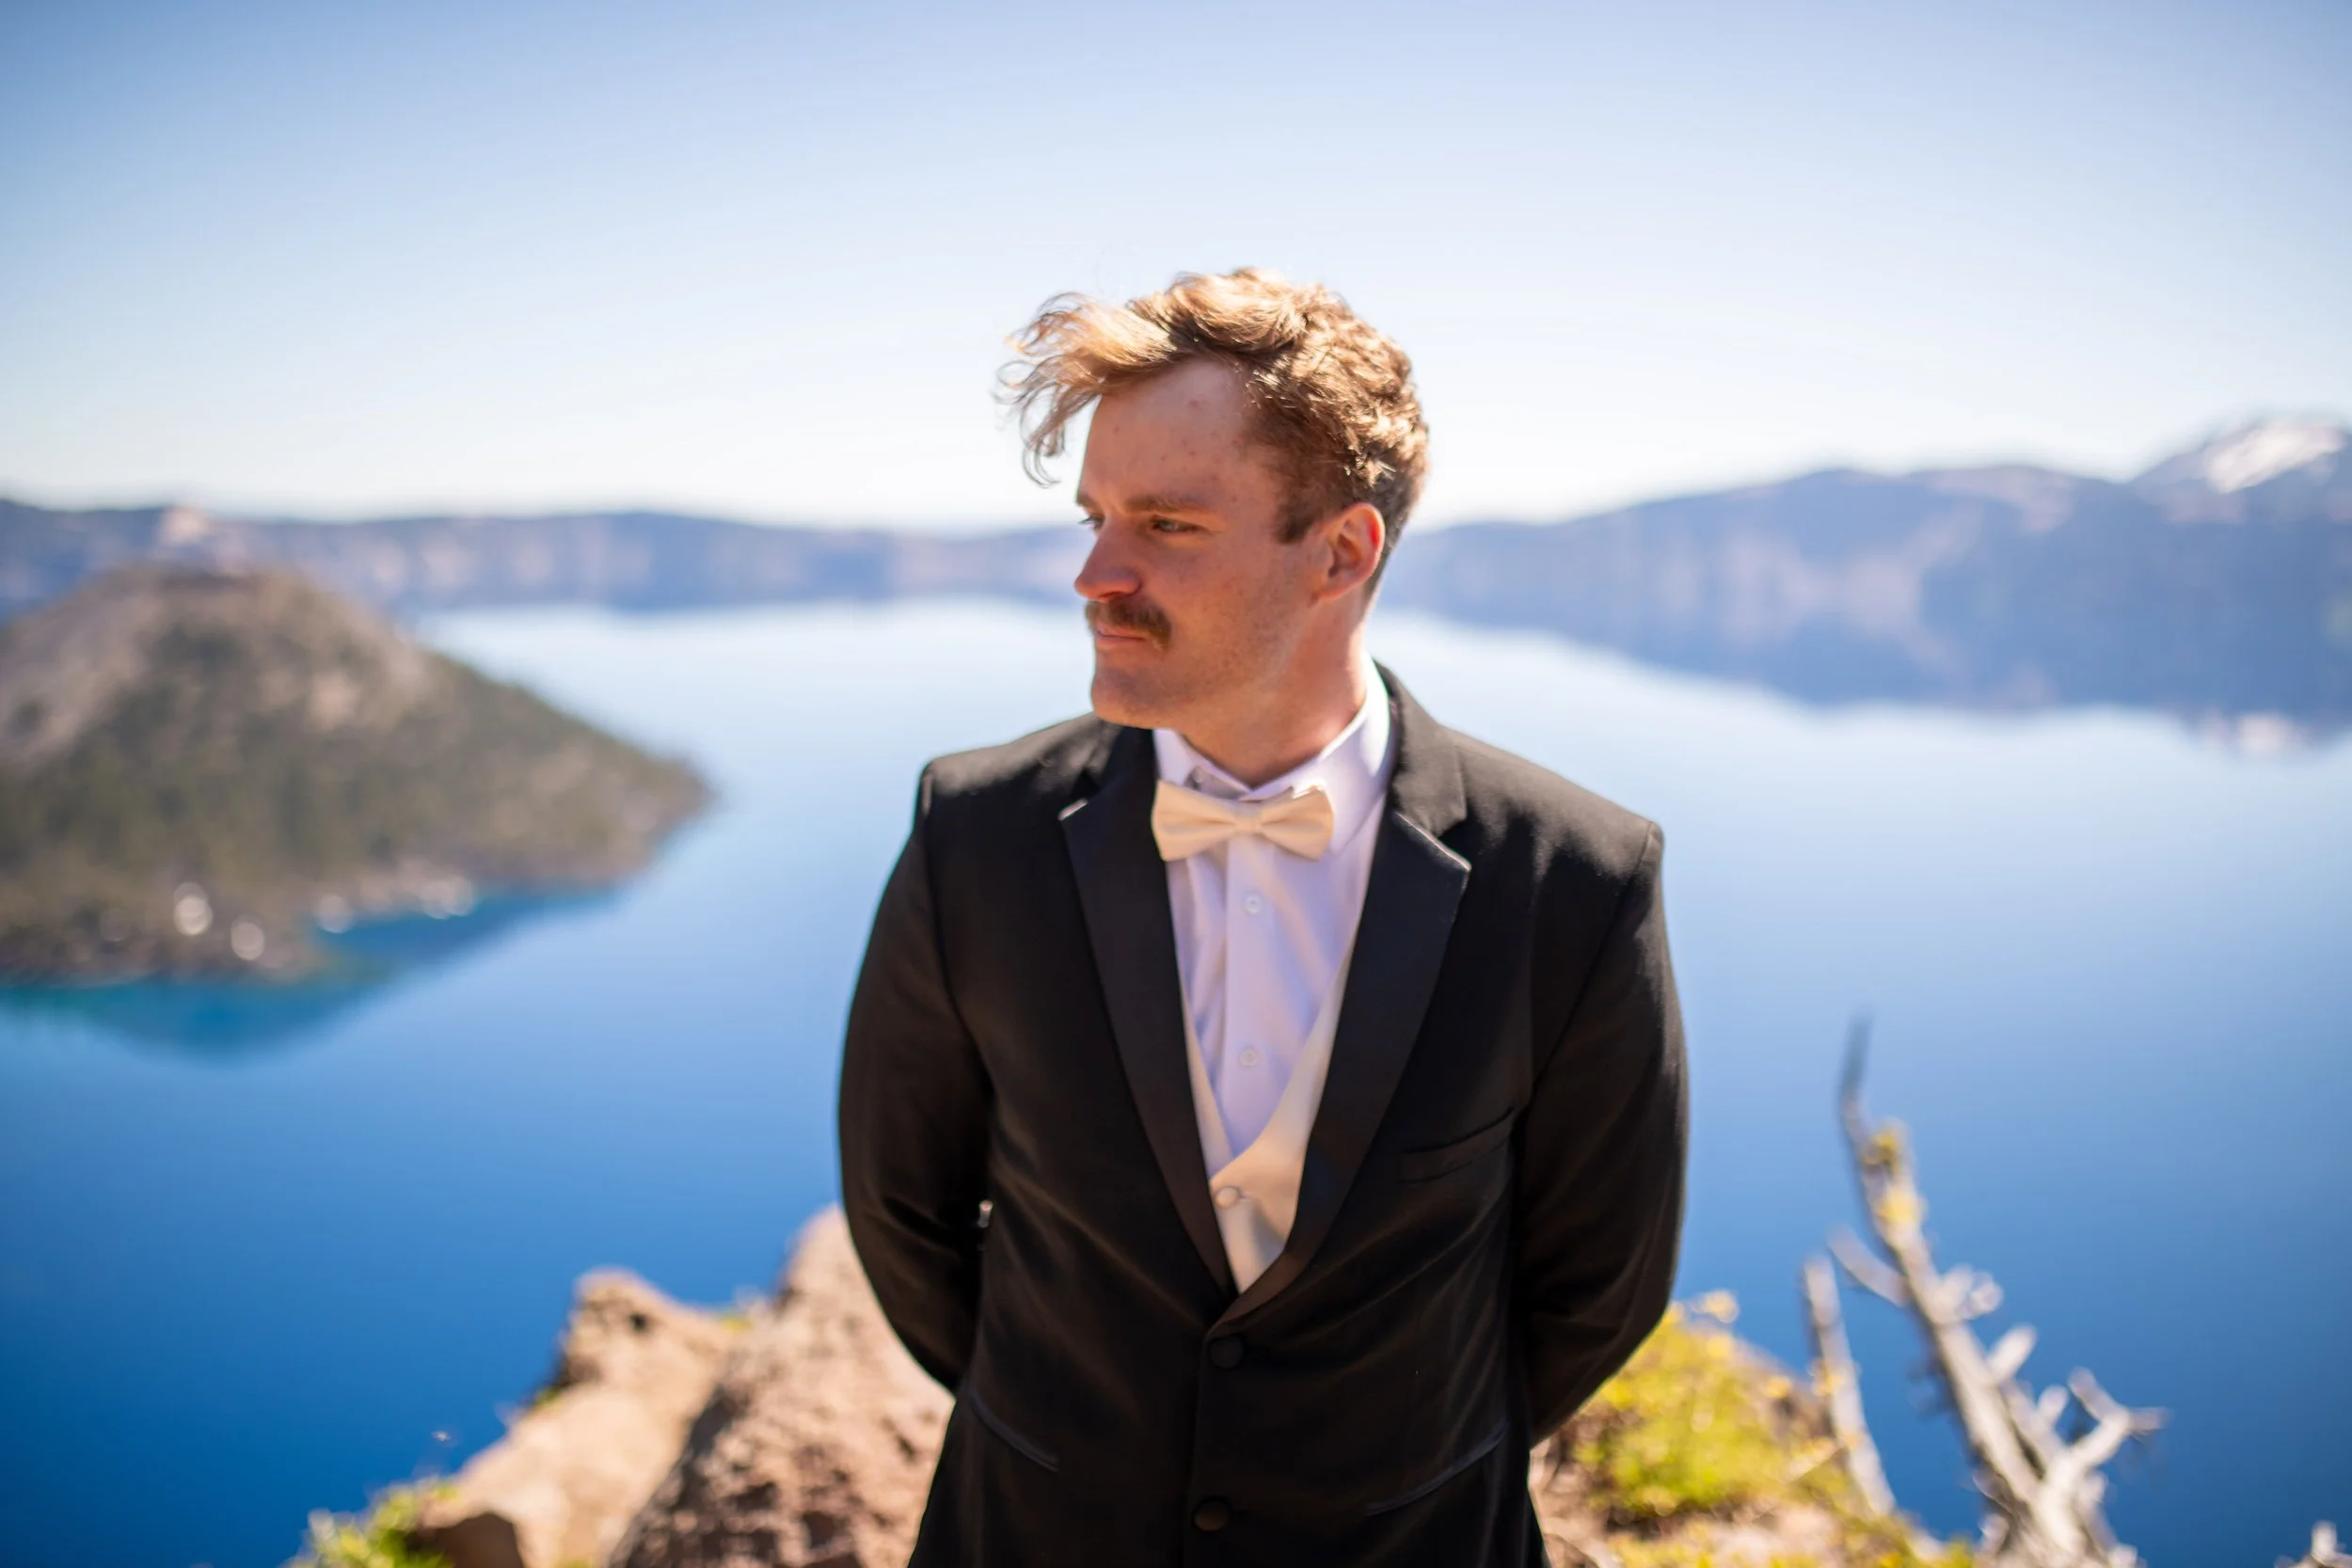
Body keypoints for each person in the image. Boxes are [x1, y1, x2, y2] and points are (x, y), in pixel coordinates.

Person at [838, 268, 1687, 1567]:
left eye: (1166, 525)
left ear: (1342, 551)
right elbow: (905, 1213)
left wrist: (1400, 1472)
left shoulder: (1573, 876)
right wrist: (1068, 1442)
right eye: (1096, 516)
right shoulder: (977, 833)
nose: (1094, 575)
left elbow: (1598, 1289)